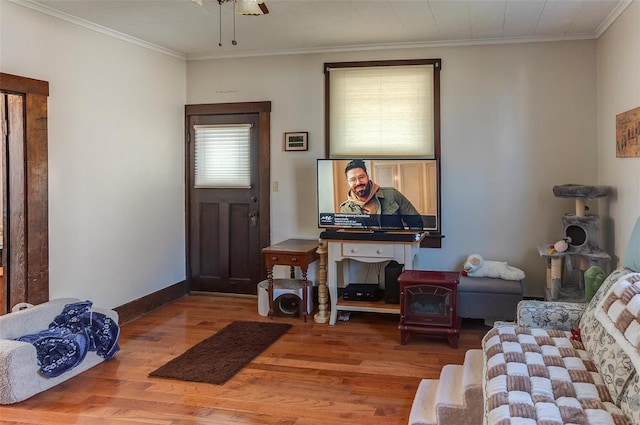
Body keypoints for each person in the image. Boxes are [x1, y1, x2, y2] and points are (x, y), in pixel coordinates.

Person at [339, 159, 424, 230]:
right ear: (348, 183)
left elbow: (416, 222)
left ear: (367, 177)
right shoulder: (345, 209)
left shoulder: (392, 194)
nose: (358, 182)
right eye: (353, 179)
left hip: (394, 248)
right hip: (363, 249)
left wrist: (406, 245)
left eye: (361, 177)